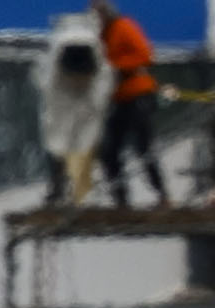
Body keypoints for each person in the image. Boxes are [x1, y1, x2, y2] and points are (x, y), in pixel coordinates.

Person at [90, 0, 168, 207]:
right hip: (118, 97)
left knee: (143, 147)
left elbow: (145, 55)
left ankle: (162, 194)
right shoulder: (98, 37)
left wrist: (115, 66)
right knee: (110, 150)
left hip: (138, 93)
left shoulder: (123, 27)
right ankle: (120, 199)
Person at [35, 16, 112, 206]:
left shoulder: (61, 43)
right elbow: (104, 78)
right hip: (77, 99)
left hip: (71, 100)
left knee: (63, 145)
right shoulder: (91, 42)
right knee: (83, 143)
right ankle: (80, 191)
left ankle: (63, 190)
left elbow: (44, 79)